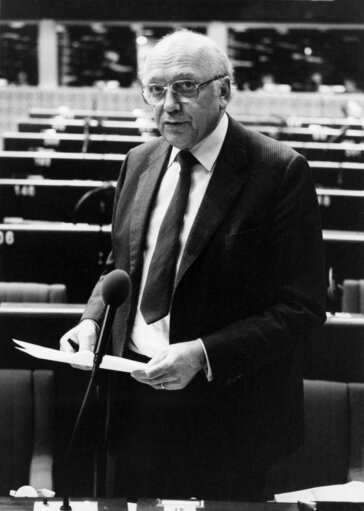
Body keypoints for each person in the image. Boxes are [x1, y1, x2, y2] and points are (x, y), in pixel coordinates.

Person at [60, 29, 326, 501]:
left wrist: (203, 353)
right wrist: (91, 320)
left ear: (224, 91)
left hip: (228, 417)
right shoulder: (138, 161)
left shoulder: (279, 171)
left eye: (185, 87)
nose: (168, 105)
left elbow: (301, 309)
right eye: (155, 90)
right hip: (134, 403)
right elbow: (122, 264)